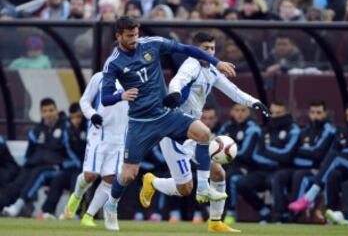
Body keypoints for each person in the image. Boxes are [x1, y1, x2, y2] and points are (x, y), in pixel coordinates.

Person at [99, 16, 243, 231]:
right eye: (129, 36)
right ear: (118, 35)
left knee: (204, 133)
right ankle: (111, 205)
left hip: (166, 114)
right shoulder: (113, 63)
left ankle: (203, 187)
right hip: (141, 123)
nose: (134, 39)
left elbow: (187, 49)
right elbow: (105, 98)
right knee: (128, 174)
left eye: (136, 34)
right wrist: (121, 95)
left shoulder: (152, 44)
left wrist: (216, 62)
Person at [140, 32, 269, 232]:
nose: (210, 52)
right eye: (205, 48)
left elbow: (233, 91)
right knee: (185, 189)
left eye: (212, 48)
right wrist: (174, 94)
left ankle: (215, 221)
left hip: (193, 129)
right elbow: (177, 81)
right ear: (195, 50)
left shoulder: (212, 71)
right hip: (175, 130)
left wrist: (255, 102)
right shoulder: (191, 65)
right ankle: (153, 182)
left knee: (218, 172)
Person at [63, 71, 128, 228]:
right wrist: (92, 115)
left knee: (111, 179)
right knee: (91, 175)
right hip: (98, 133)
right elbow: (84, 101)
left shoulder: (137, 79)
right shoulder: (100, 77)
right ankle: (77, 195)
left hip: (119, 139)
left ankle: (89, 216)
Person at [2, 98, 78, 217]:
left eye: (51, 110)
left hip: (57, 168)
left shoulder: (65, 129)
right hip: (36, 166)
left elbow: (74, 158)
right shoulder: (36, 131)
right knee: (21, 177)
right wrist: (31, 162)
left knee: (39, 173)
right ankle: (5, 204)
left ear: (56, 110)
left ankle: (18, 206)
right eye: (45, 111)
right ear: (41, 113)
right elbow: (28, 155)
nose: (48, 114)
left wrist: (61, 164)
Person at [289, 102, 348, 212]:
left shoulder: (329, 129)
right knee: (333, 174)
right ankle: (330, 213)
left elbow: (328, 153)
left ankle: (310, 196)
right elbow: (336, 148)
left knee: (335, 157)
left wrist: (345, 151)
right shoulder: (342, 130)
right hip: (347, 166)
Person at [272, 100, 336, 222]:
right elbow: (294, 152)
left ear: (325, 113)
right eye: (313, 112)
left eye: (319, 112)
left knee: (300, 176)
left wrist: (300, 150)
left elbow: (318, 154)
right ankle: (280, 215)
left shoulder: (329, 130)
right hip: (300, 167)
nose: (315, 116)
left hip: (318, 169)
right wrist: (305, 151)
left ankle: (293, 215)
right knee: (280, 175)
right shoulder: (305, 129)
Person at [238, 101, 300, 223]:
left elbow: (287, 155)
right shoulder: (265, 130)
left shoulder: (294, 130)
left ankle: (280, 216)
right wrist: (275, 158)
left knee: (277, 179)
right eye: (272, 113)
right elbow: (255, 155)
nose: (275, 116)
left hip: (285, 169)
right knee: (242, 183)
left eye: (279, 113)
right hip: (263, 169)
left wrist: (267, 150)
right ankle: (263, 211)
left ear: (286, 113)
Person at [37, 103, 87, 220]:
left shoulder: (90, 127)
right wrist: (77, 163)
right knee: (59, 178)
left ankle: (73, 211)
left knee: (77, 179)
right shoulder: (67, 130)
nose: (76, 120)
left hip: (89, 167)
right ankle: (47, 211)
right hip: (75, 165)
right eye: (73, 117)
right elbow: (69, 149)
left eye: (78, 117)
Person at [220, 104, 261, 224]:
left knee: (230, 177)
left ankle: (230, 212)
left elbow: (245, 154)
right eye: (236, 110)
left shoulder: (253, 129)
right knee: (210, 174)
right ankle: (211, 212)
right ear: (232, 111)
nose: (239, 113)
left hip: (247, 167)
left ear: (249, 112)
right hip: (228, 164)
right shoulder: (226, 127)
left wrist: (225, 151)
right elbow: (216, 145)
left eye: (243, 110)